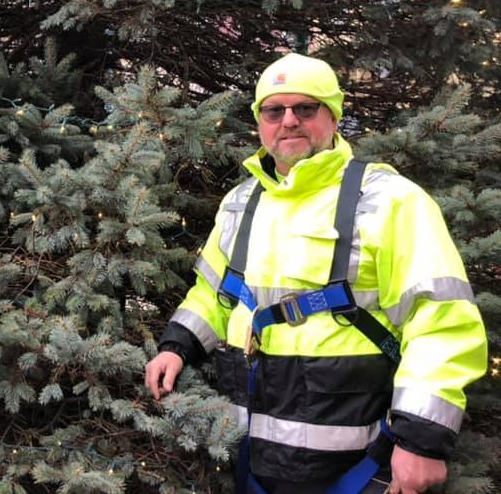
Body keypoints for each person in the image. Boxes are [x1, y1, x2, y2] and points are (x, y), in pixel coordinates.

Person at [145, 53, 487, 494]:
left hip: (355, 468)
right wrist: (177, 346)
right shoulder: (241, 201)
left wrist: (421, 439)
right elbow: (214, 293)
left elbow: (443, 322)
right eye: (274, 110)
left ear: (333, 116)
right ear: (260, 121)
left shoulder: (390, 200)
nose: (289, 120)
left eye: (305, 108)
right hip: (247, 459)